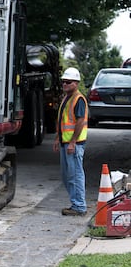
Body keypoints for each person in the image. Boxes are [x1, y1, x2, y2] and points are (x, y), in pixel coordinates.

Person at [52, 67, 88, 216]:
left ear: (76, 83)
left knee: (75, 175)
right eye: (63, 82)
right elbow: (62, 121)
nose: (65, 84)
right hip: (65, 143)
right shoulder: (67, 98)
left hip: (74, 144)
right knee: (67, 176)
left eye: (68, 82)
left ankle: (79, 206)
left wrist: (73, 142)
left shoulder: (78, 99)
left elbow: (80, 122)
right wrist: (57, 138)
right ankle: (76, 204)